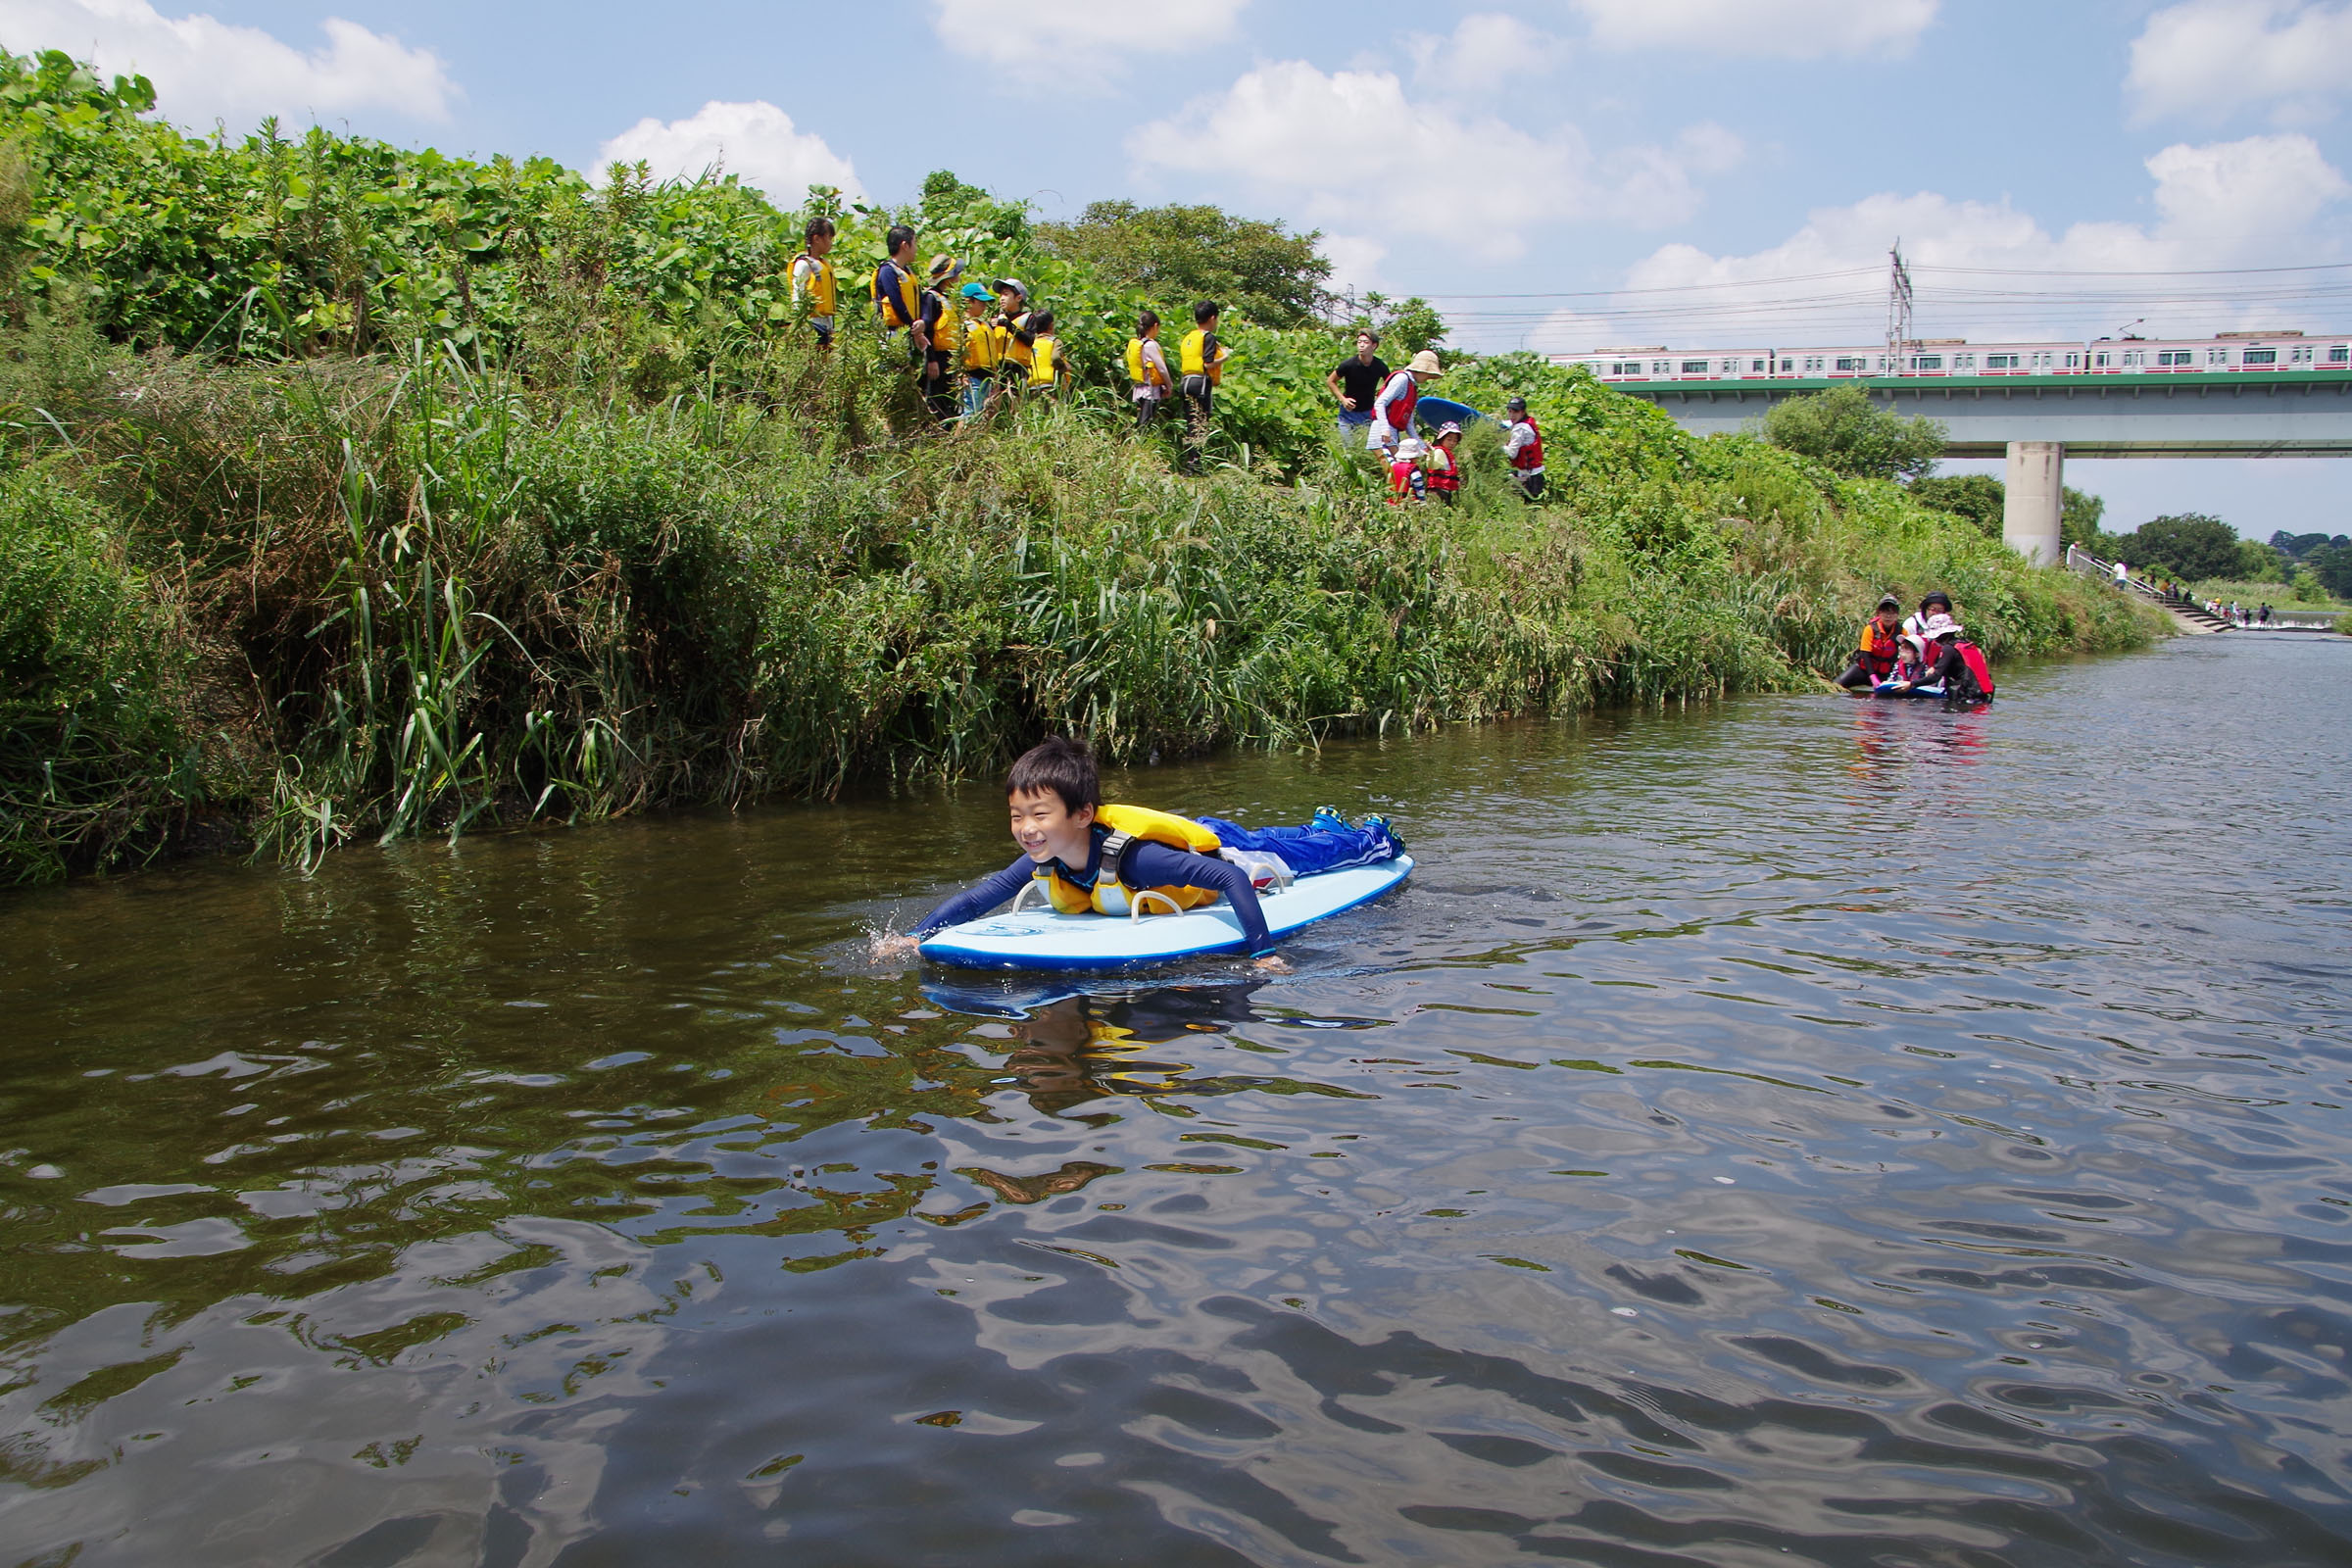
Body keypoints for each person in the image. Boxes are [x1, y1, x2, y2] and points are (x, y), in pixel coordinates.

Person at [892, 738, 1397, 968]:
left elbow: (1232, 882)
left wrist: (1262, 954)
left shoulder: (1134, 859)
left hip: (1230, 855)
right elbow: (985, 896)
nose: (1026, 829)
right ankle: (1322, 823)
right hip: (1204, 833)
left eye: (1039, 815)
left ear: (1083, 815)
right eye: (1016, 816)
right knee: (1283, 835)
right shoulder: (1043, 856)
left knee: (1307, 856)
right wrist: (917, 936)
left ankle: (1370, 836)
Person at [1178, 299, 1228, 474]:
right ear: (1213, 318)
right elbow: (1208, 364)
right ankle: (1196, 465)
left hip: (1185, 383)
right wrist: (1225, 357)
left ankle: (1190, 463)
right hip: (1200, 382)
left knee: (1191, 423)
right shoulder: (1208, 337)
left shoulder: (1189, 337)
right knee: (1201, 423)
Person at [1905, 615, 1994, 706]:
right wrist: (1935, 667)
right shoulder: (1964, 644)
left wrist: (1911, 684)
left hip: (1967, 697)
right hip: (1983, 695)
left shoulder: (1948, 649)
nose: (1934, 640)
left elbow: (1935, 677)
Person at [1369, 350, 1442, 458]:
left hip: (1392, 433)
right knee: (1394, 468)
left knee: (1399, 467)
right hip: (1382, 431)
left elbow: (1409, 425)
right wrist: (1385, 429)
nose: (1428, 378)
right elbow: (1380, 403)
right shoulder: (1402, 379)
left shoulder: (1412, 387)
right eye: (1428, 374)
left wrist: (1423, 447)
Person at [919, 254, 962, 421]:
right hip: (937, 356)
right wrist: (931, 360)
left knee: (948, 397)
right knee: (935, 396)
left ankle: (948, 429)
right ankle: (937, 431)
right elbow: (928, 329)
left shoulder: (947, 298)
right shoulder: (931, 298)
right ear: (948, 278)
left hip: (949, 357)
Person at [1327, 329, 1388, 444]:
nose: (1361, 345)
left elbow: (1389, 384)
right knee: (1349, 448)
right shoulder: (1349, 364)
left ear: (1374, 346)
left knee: (1369, 447)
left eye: (1365, 342)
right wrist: (1343, 399)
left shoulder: (1380, 366)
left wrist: (1381, 401)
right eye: (1359, 342)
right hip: (1348, 414)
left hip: (1368, 412)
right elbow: (1331, 381)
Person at [1838, 594, 1906, 692]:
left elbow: (1907, 654)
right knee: (1835, 685)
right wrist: (1872, 676)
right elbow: (1865, 653)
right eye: (1885, 612)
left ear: (1897, 615)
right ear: (1879, 613)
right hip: (1864, 671)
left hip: (1886, 674)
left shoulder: (1902, 632)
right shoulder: (1870, 629)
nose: (1888, 616)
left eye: (1892, 613)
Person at [873, 226, 924, 355]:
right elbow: (897, 303)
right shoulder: (887, 271)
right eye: (914, 243)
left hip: (907, 332)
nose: (916, 249)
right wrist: (914, 327)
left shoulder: (907, 271)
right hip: (893, 334)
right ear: (905, 245)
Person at [788, 216, 837, 348]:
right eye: (829, 238)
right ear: (816, 239)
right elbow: (797, 295)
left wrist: (832, 327)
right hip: (812, 324)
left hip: (826, 323)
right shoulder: (803, 264)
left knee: (826, 364)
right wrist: (801, 327)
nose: (831, 243)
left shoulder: (823, 264)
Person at [955, 281, 1001, 421]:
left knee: (982, 416)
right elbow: (956, 352)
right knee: (970, 414)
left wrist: (996, 377)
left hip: (988, 376)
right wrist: (961, 375)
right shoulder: (962, 325)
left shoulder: (984, 325)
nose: (984, 305)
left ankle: (976, 441)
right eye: (980, 302)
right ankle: (959, 442)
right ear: (968, 302)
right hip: (972, 377)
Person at [1126, 309, 1171, 430]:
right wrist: (1169, 385)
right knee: (1145, 425)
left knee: (1141, 421)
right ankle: (1140, 447)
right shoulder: (1150, 345)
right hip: (1150, 390)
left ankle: (1137, 445)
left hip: (1139, 388)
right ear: (1155, 326)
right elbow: (1161, 369)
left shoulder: (1138, 343)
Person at [1499, 395, 1544, 503]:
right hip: (1534, 473)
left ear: (1522, 412)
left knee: (1529, 508)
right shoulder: (1527, 422)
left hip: (1530, 477)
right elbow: (1508, 423)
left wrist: (1498, 445)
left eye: (1515, 412)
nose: (1511, 415)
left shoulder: (1520, 430)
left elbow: (1512, 453)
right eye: (1509, 411)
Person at [993, 277, 1034, 383]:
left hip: (1018, 369)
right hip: (998, 367)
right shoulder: (997, 318)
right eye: (1001, 295)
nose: (1002, 298)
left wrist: (1008, 325)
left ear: (1018, 298)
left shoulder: (1028, 318)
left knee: (1016, 398)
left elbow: (1029, 340)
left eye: (1006, 294)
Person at [1025, 309, 1068, 397]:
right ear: (1051, 326)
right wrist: (1064, 367)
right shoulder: (1055, 341)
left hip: (1031, 385)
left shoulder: (1030, 342)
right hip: (1049, 385)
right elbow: (1055, 358)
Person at [1425, 422, 1464, 505]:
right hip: (1437, 492)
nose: (1452, 443)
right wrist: (1431, 454)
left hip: (1445, 491)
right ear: (1442, 439)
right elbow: (1432, 466)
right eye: (1449, 439)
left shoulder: (1448, 454)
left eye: (1455, 441)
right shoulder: (1439, 452)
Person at [1388, 432, 1430, 504]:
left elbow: (1387, 456)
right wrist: (1423, 501)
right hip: (1408, 500)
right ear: (1413, 457)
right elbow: (1419, 487)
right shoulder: (1413, 470)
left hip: (1393, 499)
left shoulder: (1394, 465)